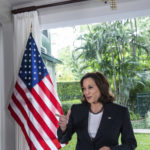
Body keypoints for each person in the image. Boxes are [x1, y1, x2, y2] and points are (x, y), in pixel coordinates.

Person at [57, 72, 137, 150]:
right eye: (84, 88)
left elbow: (131, 143)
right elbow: (63, 140)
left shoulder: (120, 112)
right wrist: (63, 128)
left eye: (90, 87)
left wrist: (111, 149)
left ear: (101, 87)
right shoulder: (76, 110)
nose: (86, 92)